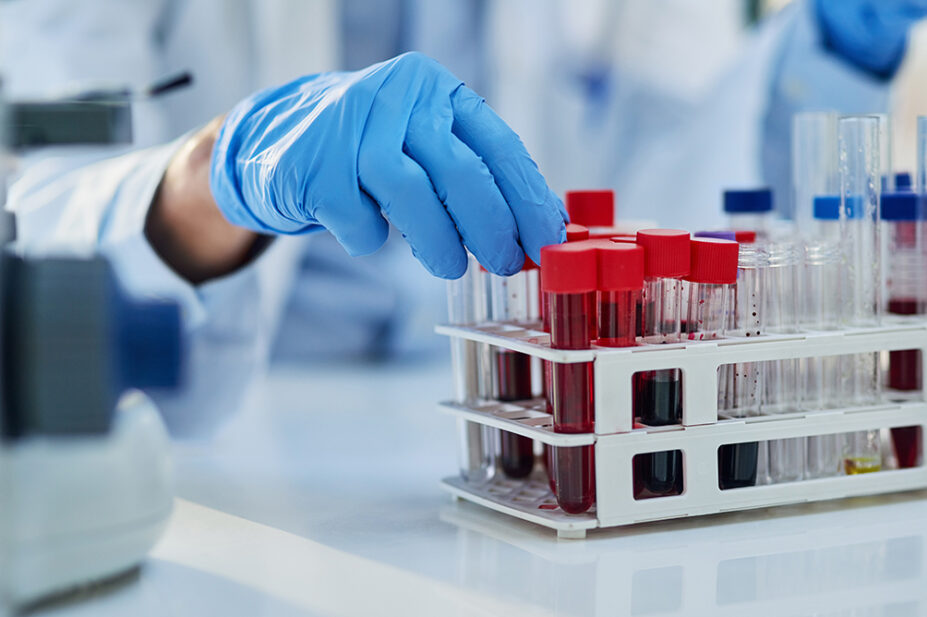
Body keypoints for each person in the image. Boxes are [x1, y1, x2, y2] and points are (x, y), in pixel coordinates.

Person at [2, 0, 925, 435]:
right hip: (234, 423)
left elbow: (664, 196)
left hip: (499, 404)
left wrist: (831, 48)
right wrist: (217, 173)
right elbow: (45, 211)